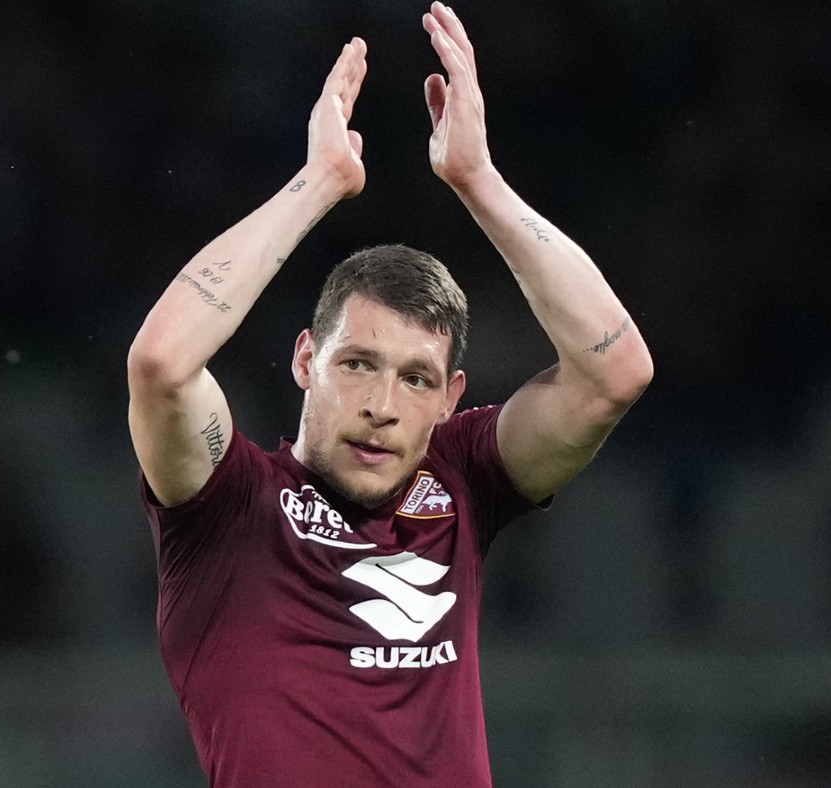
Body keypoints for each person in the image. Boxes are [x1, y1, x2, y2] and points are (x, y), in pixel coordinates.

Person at [127, 4, 652, 785]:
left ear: (450, 398)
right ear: (305, 359)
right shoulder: (226, 507)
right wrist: (318, 183)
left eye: (416, 378)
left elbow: (615, 371)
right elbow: (161, 364)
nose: (383, 404)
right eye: (357, 364)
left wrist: (479, 181)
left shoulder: (462, 479)